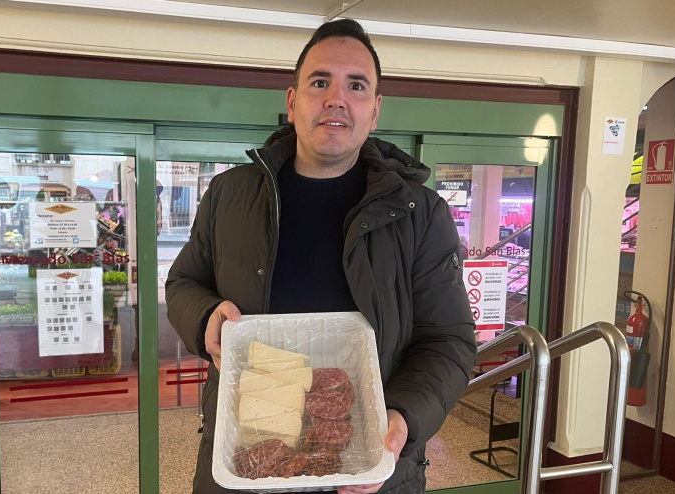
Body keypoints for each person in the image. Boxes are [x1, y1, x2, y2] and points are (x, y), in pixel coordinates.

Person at [166, 19, 476, 494]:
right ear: (292, 102)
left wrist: (402, 419)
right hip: (246, 460)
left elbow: (448, 340)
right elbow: (183, 283)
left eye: (356, 85)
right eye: (320, 82)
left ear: (375, 110)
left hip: (369, 466)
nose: (337, 98)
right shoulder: (229, 195)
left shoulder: (420, 214)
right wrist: (206, 315)